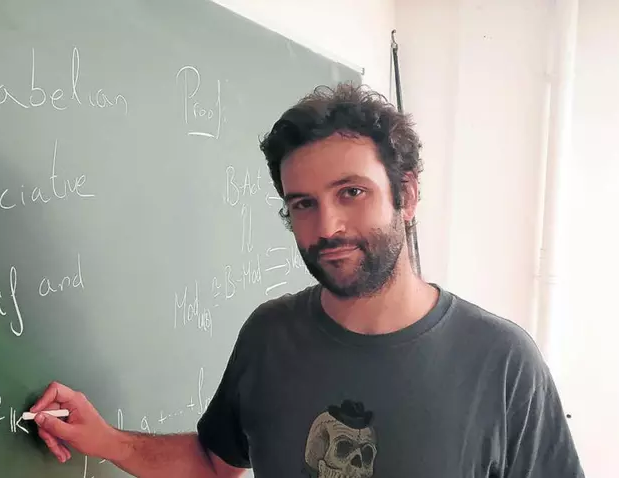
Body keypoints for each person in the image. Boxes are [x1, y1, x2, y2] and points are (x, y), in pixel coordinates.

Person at [29, 83, 584, 477]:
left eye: (352, 192)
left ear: (408, 196)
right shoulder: (270, 336)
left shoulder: (501, 363)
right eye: (303, 204)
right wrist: (107, 440)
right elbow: (215, 464)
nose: (328, 227)